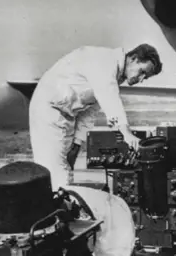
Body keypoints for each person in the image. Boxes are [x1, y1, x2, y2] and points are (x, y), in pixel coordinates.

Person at [29, 44, 162, 189]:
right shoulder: (105, 61)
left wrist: (77, 143)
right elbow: (109, 97)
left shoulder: (113, 75)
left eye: (145, 77)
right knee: (55, 174)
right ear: (133, 59)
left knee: (64, 171)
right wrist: (126, 133)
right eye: (142, 72)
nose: (141, 79)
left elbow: (89, 111)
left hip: (65, 116)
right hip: (49, 110)